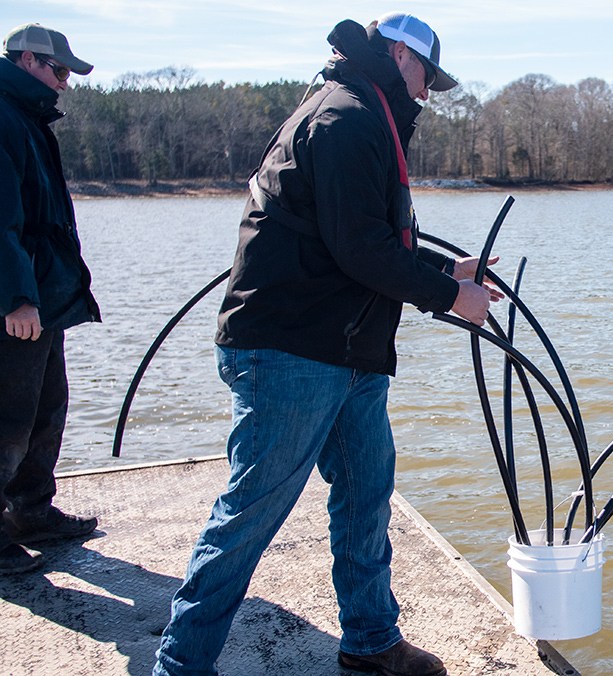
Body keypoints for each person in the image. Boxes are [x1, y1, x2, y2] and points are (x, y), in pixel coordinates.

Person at [153, 13, 499, 676]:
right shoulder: (347, 119)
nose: (427, 94)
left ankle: (370, 643)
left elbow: (360, 236)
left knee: (367, 493)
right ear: (401, 56)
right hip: (291, 352)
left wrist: (446, 274)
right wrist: (453, 298)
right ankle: (180, 664)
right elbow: (360, 249)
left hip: (343, 351)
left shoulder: (361, 112)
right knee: (249, 517)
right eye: (427, 76)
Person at [0, 23, 102, 576]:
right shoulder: (3, 116)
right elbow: (1, 220)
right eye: (59, 70)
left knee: (46, 407)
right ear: (26, 60)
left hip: (44, 299)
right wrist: (15, 298)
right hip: (17, 304)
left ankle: (31, 513)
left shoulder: (29, 117)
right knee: (7, 419)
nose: (65, 83)